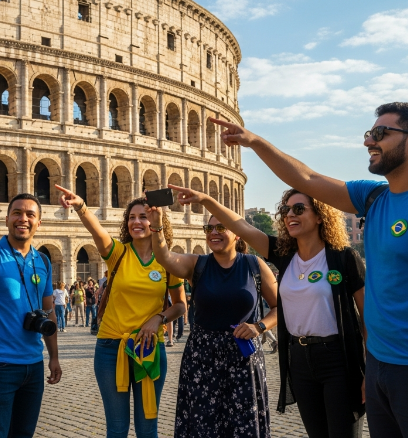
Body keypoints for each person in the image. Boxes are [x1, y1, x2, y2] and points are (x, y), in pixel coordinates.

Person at [210, 102, 408, 438]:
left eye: (381, 134)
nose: (369, 141)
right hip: (381, 368)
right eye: (370, 133)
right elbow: (307, 178)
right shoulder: (373, 197)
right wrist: (254, 141)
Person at [174, 184, 368, 437]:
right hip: (299, 359)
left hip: (338, 358)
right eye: (285, 210)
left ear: (320, 215)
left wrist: (370, 368)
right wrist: (206, 200)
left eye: (299, 209)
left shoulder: (343, 258)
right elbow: (241, 226)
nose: (290, 215)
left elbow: (367, 317)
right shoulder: (284, 255)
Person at [56, 185, 186, 438]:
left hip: (149, 347)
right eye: (131, 217)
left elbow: (180, 305)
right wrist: (81, 205)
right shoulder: (117, 253)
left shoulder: (169, 261)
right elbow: (96, 230)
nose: (136, 222)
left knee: (148, 427)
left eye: (143, 217)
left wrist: (157, 319)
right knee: (116, 428)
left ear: (156, 221)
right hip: (110, 347)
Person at [148, 205, 277, 438]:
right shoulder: (197, 264)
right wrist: (157, 225)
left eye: (221, 227)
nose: (213, 233)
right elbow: (164, 257)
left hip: (243, 357)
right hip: (202, 358)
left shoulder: (254, 265)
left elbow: (281, 306)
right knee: (203, 426)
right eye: (209, 228)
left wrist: (259, 327)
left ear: (237, 232)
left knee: (243, 426)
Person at [0, 193, 62, 437]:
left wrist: (54, 357)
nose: (23, 219)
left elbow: (49, 311)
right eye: (17, 213)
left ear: (39, 223)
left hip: (33, 365)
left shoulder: (42, 260)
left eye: (31, 214)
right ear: (7, 218)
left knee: (24, 434)